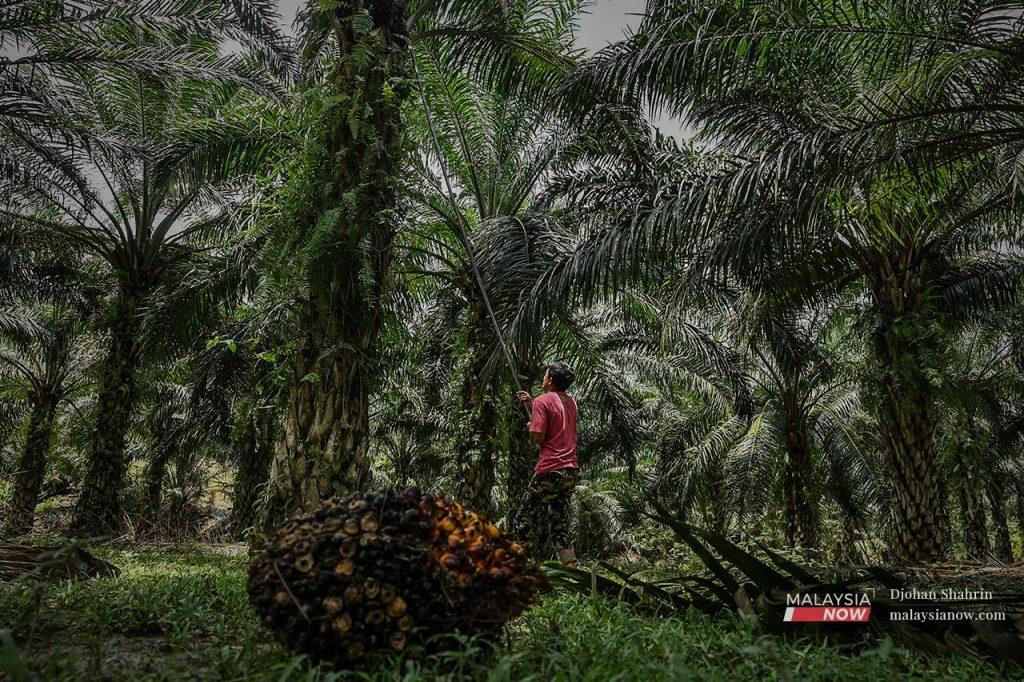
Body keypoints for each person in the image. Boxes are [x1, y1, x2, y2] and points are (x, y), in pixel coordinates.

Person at [512, 361, 579, 565]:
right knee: (558, 523)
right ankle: (572, 572)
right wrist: (533, 405)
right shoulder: (571, 402)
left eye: (545, 374)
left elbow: (538, 437)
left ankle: (519, 570)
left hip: (550, 470)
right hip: (570, 471)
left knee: (522, 521)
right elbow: (557, 422)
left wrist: (531, 426)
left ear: (549, 379)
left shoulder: (544, 400)